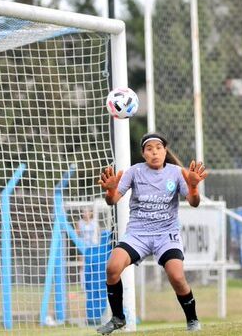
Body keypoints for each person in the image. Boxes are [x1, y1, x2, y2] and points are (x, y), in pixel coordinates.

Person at [95, 132, 208, 334]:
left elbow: (194, 203)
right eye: (149, 149)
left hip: (166, 234)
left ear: (165, 151)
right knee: (112, 267)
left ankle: (192, 320)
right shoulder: (134, 172)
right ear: (143, 154)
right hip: (138, 234)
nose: (154, 152)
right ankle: (118, 318)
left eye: (158, 148)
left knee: (177, 276)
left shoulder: (177, 173)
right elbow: (112, 201)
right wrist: (110, 191)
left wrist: (192, 187)